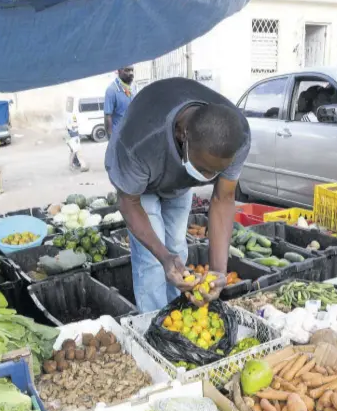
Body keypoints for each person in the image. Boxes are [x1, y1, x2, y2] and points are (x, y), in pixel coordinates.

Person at [105, 77, 251, 313]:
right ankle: (155, 325)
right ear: (183, 135)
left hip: (177, 177)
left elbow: (223, 199)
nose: (210, 177)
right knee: (153, 262)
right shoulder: (138, 143)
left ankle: (177, 314)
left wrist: (218, 272)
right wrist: (163, 256)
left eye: (217, 171)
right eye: (204, 169)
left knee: (177, 249)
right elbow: (128, 201)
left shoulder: (237, 136)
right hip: (139, 187)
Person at [104, 67, 135, 139]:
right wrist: (111, 140)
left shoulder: (132, 88)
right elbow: (107, 116)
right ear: (119, 71)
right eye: (127, 70)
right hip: (119, 137)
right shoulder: (111, 90)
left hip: (132, 134)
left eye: (132, 70)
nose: (131, 73)